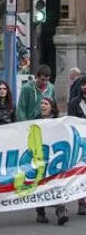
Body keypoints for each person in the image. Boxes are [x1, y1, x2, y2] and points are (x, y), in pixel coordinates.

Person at [33, 97, 68, 225]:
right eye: (41, 103)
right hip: (39, 157)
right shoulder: (35, 120)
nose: (42, 106)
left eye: (45, 104)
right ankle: (40, 213)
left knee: (57, 184)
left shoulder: (59, 122)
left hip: (54, 157)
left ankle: (61, 211)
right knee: (40, 184)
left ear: (52, 107)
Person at [66, 77, 86, 215]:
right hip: (81, 142)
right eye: (84, 85)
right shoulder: (74, 103)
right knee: (81, 172)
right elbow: (71, 123)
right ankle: (81, 202)